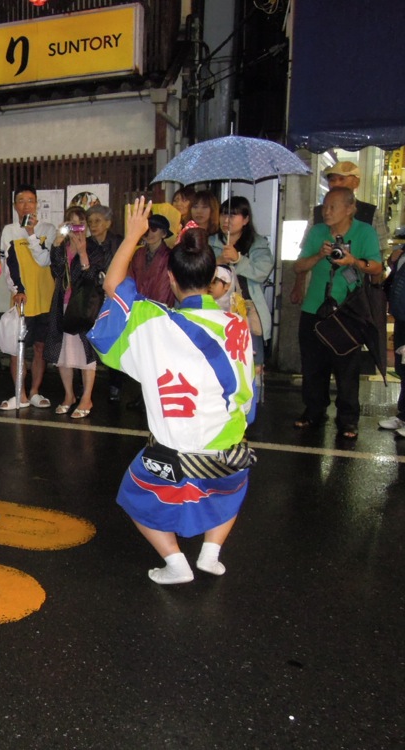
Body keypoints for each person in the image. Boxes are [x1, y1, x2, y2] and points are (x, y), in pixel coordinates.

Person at [88, 198, 256, 584]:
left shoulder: (152, 320)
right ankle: (211, 553)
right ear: (214, 277)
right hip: (227, 454)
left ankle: (175, 561)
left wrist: (131, 236)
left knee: (133, 495)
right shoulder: (236, 325)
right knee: (233, 486)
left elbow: (113, 288)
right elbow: (249, 390)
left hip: (172, 457)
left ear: (172, 281)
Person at [293, 187, 381, 440]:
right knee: (312, 366)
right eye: (324, 206)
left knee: (347, 368)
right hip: (314, 309)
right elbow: (299, 266)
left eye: (332, 206)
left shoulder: (364, 232)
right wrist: (318, 255)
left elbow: (376, 267)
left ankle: (348, 419)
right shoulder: (318, 232)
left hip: (348, 312)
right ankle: (314, 411)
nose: (326, 212)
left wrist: (353, 261)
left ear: (350, 208)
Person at [291, 160, 388, 305]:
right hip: (318, 294)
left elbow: (378, 260)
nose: (336, 183)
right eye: (332, 179)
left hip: (356, 297)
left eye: (342, 179)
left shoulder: (371, 213)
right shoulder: (318, 213)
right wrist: (298, 284)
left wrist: (373, 291)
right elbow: (304, 255)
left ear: (356, 183)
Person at [0, 184, 56, 410]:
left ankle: (34, 392)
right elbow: (7, 265)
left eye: (30, 200)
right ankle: (19, 393)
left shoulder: (48, 229)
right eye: (21, 201)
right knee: (17, 348)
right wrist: (17, 290)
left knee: (40, 347)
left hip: (45, 298)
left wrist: (32, 233)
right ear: (15, 206)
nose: (26, 205)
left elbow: (45, 261)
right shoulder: (9, 231)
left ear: (36, 204)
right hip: (22, 299)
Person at [44, 205, 102, 418]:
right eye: (72, 224)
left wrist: (83, 254)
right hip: (62, 304)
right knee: (63, 353)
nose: (77, 229)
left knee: (86, 352)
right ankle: (69, 395)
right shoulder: (61, 246)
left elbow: (93, 278)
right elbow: (56, 272)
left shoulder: (94, 247)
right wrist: (58, 243)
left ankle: (87, 397)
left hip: (84, 307)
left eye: (80, 224)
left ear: (86, 225)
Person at [210, 196, 274, 371]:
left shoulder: (258, 244)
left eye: (233, 215)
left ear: (245, 219)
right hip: (216, 308)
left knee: (251, 364)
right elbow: (199, 272)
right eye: (223, 214)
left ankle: (253, 395)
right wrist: (218, 260)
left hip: (247, 310)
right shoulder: (211, 242)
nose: (226, 220)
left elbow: (261, 272)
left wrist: (238, 259)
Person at [86, 204, 124, 402]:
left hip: (114, 296)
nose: (93, 225)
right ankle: (86, 387)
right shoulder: (86, 244)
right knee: (88, 340)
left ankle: (115, 383)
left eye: (98, 221)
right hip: (91, 297)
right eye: (90, 221)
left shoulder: (118, 242)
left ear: (108, 223)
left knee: (112, 339)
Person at [379, 240, 405, 436]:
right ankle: (402, 416)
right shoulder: (402, 251)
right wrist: (393, 263)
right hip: (402, 317)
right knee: (402, 367)